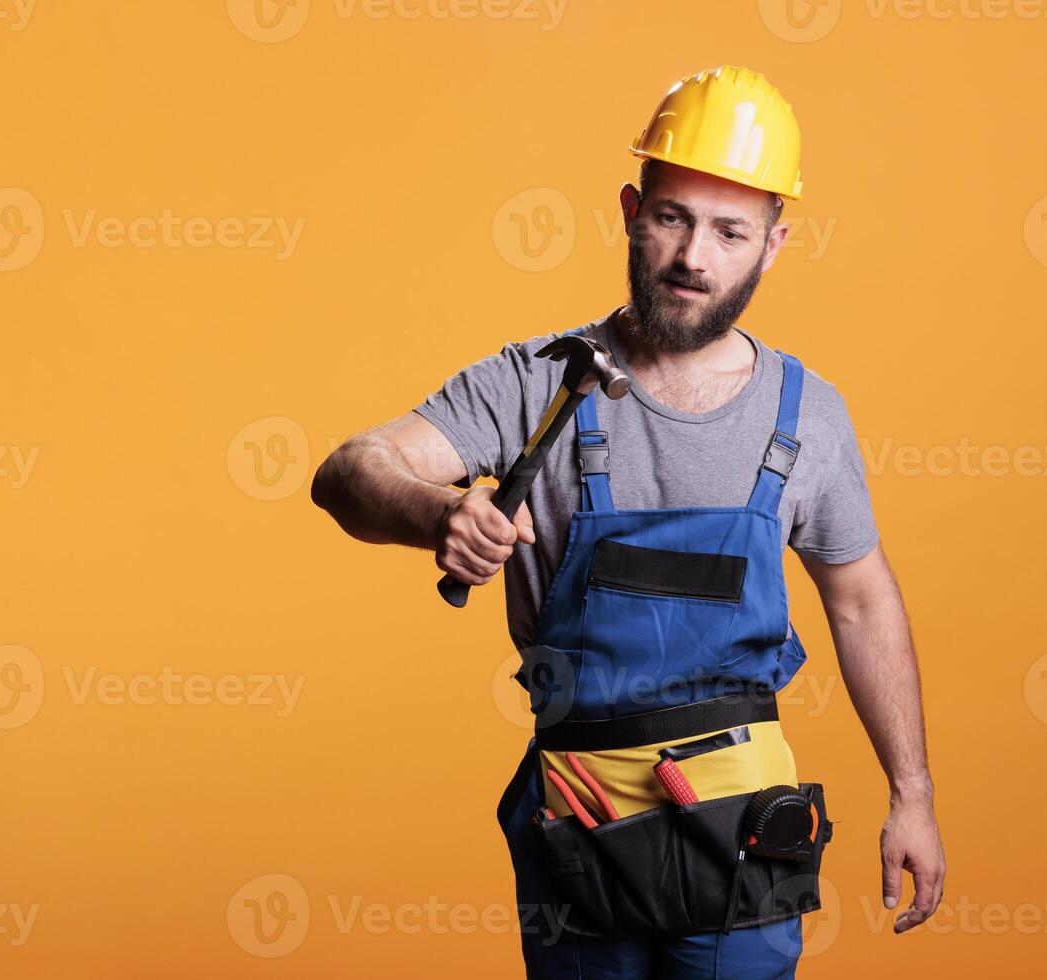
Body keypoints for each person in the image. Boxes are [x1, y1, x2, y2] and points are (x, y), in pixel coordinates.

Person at [312, 64, 945, 979]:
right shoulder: (538, 382)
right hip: (581, 822)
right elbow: (347, 474)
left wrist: (912, 795)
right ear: (629, 211)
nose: (695, 256)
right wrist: (436, 511)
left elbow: (862, 604)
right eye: (674, 217)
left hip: (741, 836)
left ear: (772, 246)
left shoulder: (806, 416)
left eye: (731, 231)